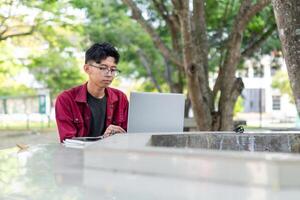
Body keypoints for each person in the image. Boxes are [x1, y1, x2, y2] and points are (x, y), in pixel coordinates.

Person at [55, 42, 128, 142]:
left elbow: (128, 135)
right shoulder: (66, 99)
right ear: (87, 69)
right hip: (79, 157)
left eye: (113, 69)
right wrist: (102, 139)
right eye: (103, 68)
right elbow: (68, 141)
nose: (109, 74)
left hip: (112, 156)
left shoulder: (120, 98)